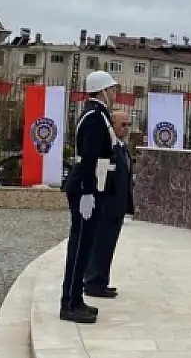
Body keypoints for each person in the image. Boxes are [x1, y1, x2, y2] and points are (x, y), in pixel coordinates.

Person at [59, 70, 118, 324]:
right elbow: (89, 157)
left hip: (93, 187)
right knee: (79, 247)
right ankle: (69, 304)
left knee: (84, 247)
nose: (115, 93)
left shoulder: (99, 115)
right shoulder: (95, 117)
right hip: (86, 188)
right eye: (112, 89)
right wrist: (87, 191)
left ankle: (76, 298)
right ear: (102, 91)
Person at [84, 109, 135, 298]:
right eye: (123, 125)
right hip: (107, 206)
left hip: (117, 207)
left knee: (108, 246)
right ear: (112, 125)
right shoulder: (108, 147)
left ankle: (102, 280)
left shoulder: (121, 146)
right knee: (100, 245)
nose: (126, 128)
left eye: (128, 125)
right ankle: (93, 282)